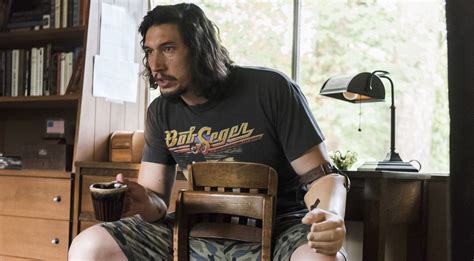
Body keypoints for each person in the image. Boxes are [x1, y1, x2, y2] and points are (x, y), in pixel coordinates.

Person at [69, 3, 349, 261]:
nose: (155, 65)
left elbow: (322, 176)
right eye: (149, 51)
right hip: (195, 228)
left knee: (322, 258)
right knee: (88, 247)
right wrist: (142, 201)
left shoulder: (272, 89)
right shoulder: (161, 111)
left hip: (280, 227)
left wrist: (330, 217)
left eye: (167, 49)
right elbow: (156, 200)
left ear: (200, 48)